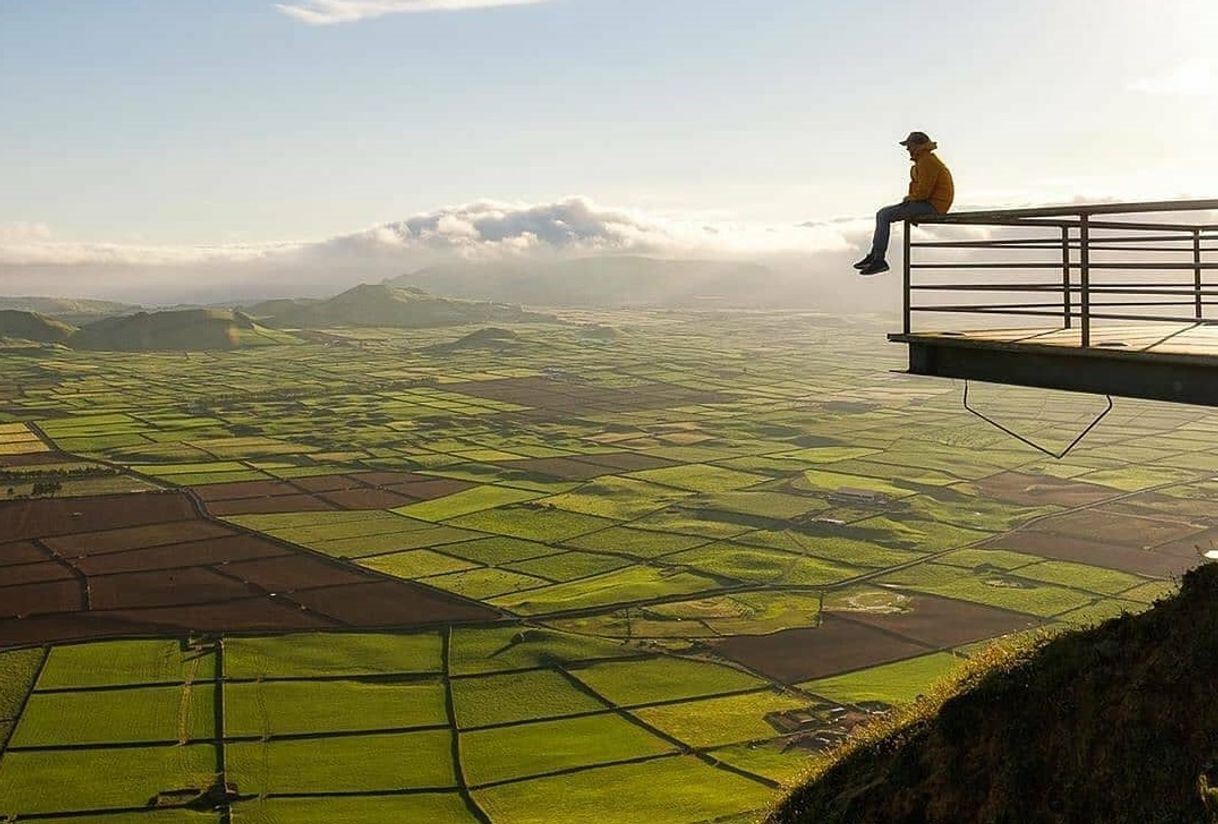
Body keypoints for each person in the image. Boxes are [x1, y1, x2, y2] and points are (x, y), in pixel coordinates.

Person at [855, 131, 954, 275]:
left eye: (909, 145)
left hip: (933, 205)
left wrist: (909, 201)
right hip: (932, 203)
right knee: (884, 214)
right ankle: (875, 256)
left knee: (884, 215)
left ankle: (878, 260)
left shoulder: (926, 161)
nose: (907, 149)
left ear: (918, 145)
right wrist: (910, 201)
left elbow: (923, 191)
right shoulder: (924, 161)